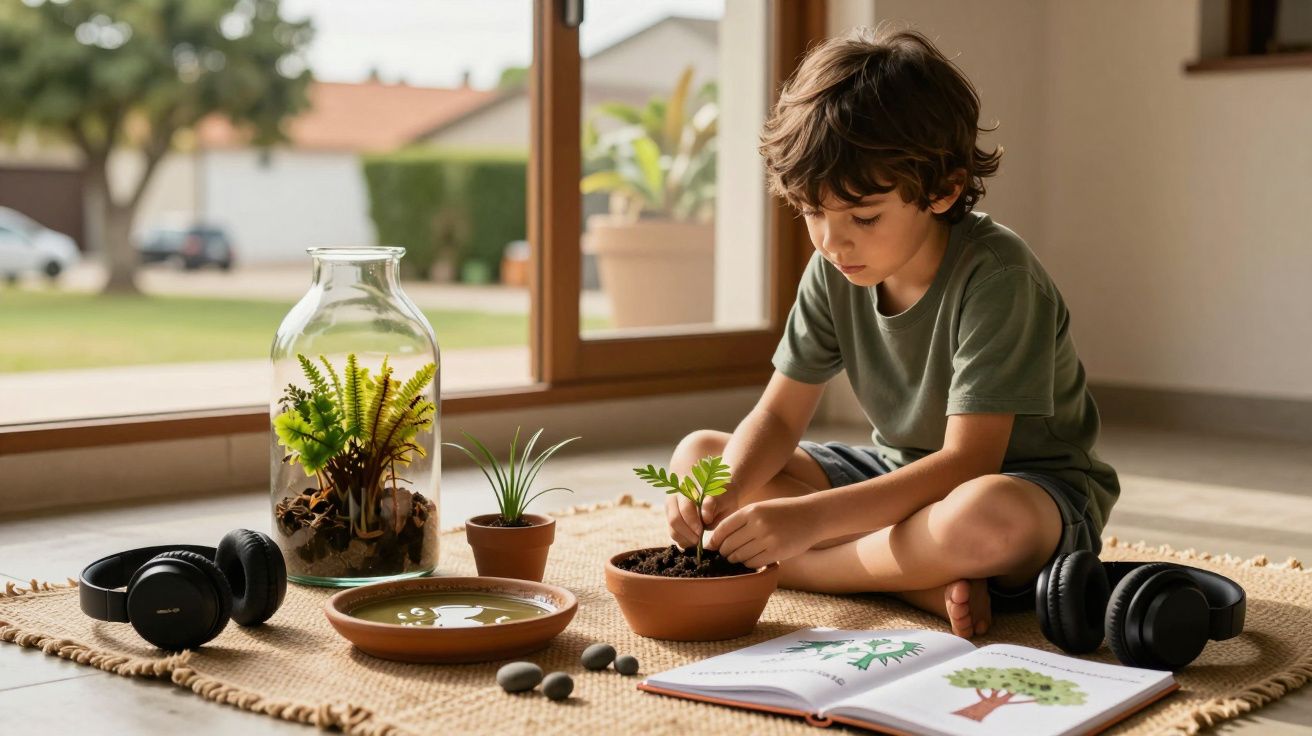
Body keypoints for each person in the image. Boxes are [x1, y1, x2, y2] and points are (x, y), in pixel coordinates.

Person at [666, 27, 1119, 639]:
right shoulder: (834, 269)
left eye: (864, 217)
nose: (832, 242)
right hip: (894, 474)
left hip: (1024, 491)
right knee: (700, 456)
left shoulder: (999, 277)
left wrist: (808, 522)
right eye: (812, 212)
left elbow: (968, 463)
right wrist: (724, 492)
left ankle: (824, 569)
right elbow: (776, 417)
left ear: (943, 190)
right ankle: (909, 577)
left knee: (981, 520)